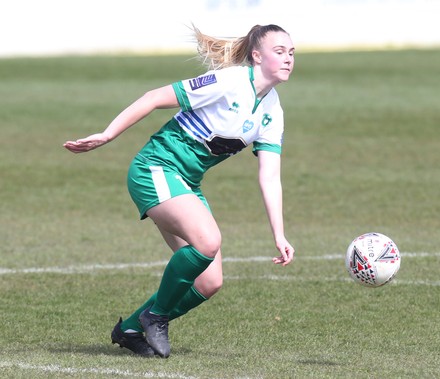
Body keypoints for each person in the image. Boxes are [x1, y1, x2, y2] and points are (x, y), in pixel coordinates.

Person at [64, 24, 295, 358]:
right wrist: (107, 134)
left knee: (209, 282)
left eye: (291, 53)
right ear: (256, 56)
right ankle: (155, 316)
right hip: (154, 169)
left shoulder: (273, 111)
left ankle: (130, 329)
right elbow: (155, 97)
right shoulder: (229, 82)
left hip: (186, 184)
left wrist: (280, 234)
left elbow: (270, 176)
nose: (288, 59)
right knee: (208, 241)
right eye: (279, 51)